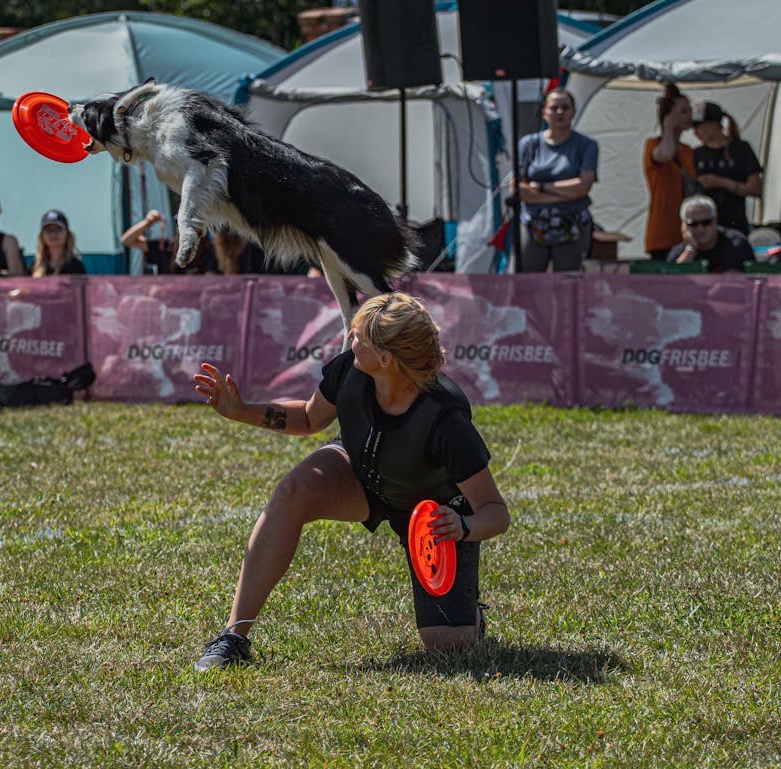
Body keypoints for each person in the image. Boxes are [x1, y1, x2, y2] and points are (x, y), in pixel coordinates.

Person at [191, 292, 511, 671]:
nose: (350, 339)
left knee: (448, 646)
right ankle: (234, 636)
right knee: (293, 491)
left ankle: (469, 614)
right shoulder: (351, 369)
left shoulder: (446, 422)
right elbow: (309, 419)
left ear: (387, 358)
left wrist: (462, 526)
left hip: (431, 518)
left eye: (359, 336)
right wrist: (241, 411)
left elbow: (496, 512)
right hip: (361, 475)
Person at [516, 88, 599, 272]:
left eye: (565, 107)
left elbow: (583, 187)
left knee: (567, 283)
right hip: (534, 224)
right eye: (554, 108)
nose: (560, 112)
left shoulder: (586, 145)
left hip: (572, 224)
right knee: (529, 282)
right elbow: (520, 191)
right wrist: (566, 194)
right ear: (545, 113)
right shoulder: (528, 144)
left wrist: (541, 187)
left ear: (573, 112)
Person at [692, 101, 763, 234]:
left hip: (735, 225)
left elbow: (756, 189)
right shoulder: (697, 154)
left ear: (714, 124)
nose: (695, 132)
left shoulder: (740, 149)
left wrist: (720, 182)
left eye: (699, 126)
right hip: (705, 227)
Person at [644, 83, 695, 260]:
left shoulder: (688, 151)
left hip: (688, 232)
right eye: (683, 111)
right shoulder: (653, 145)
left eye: (689, 111)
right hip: (663, 234)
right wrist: (668, 126)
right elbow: (665, 154)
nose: (689, 116)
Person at [667, 195, 753, 273]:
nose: (700, 229)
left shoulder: (735, 244)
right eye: (693, 224)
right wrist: (690, 249)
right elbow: (675, 282)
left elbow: (734, 282)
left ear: (716, 220)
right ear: (683, 225)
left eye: (706, 222)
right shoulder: (678, 252)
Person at [121, 209, 217, 274]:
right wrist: (148, 222)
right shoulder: (165, 247)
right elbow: (127, 241)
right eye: (182, 226)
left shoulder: (211, 252)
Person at [31, 209, 85, 276]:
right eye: (48, 230)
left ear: (67, 234)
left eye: (58, 229)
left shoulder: (75, 266)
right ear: (42, 236)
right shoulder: (35, 265)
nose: (53, 234)